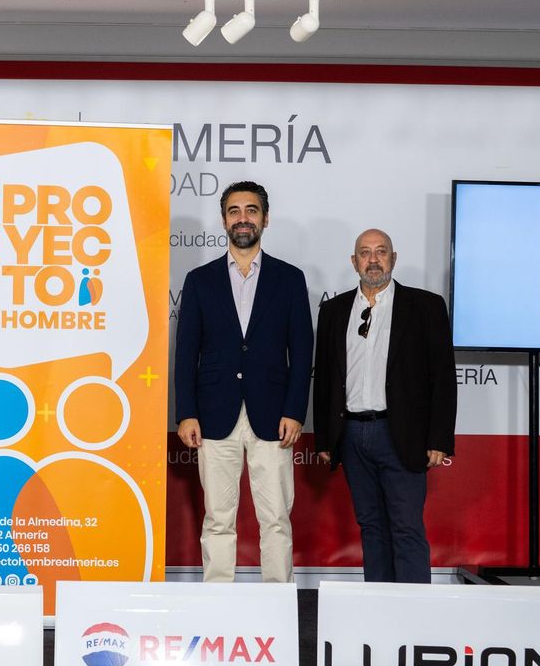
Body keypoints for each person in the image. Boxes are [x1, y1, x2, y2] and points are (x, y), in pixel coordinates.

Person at [174, 181, 313, 583]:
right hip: (214, 415)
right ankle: (220, 604)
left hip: (273, 416)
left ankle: (277, 601)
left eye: (251, 210)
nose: (243, 218)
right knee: (218, 519)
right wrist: (187, 413)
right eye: (234, 211)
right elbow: (186, 354)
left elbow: (302, 351)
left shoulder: (290, 279)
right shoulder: (199, 280)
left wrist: (295, 411)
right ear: (224, 221)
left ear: (265, 219)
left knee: (276, 518)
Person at [313, 228, 456, 583]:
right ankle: (377, 607)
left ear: (393, 258)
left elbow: (443, 378)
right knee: (371, 526)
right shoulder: (333, 311)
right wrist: (325, 438)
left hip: (401, 434)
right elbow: (326, 378)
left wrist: (439, 439)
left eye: (381, 251)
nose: (373, 259)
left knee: (406, 527)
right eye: (365, 252)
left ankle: (413, 610)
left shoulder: (425, 307)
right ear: (354, 261)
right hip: (351, 435)